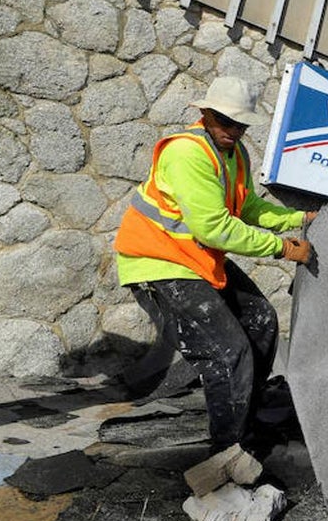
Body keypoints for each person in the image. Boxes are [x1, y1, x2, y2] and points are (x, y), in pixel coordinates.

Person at [114, 76, 316, 452]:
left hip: (192, 259)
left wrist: (299, 218)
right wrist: (284, 249)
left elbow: (249, 207)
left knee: (262, 321)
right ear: (204, 113)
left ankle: (244, 424)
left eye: (240, 124)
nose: (233, 130)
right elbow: (213, 229)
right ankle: (225, 454)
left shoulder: (235, 154)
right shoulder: (187, 153)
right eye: (225, 121)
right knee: (227, 352)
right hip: (156, 263)